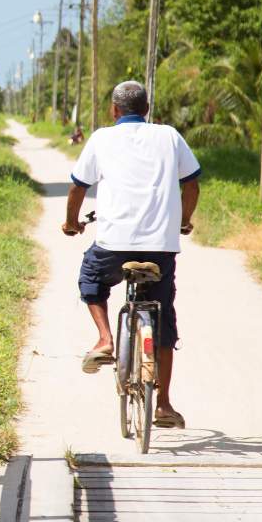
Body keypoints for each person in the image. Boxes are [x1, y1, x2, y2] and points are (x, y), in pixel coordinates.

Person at [61, 80, 200, 429]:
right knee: (163, 316)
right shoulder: (169, 135)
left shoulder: (101, 138)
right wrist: (183, 220)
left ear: (114, 110)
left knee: (91, 278)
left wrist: (71, 222)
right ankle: (164, 404)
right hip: (160, 248)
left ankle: (106, 339)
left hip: (113, 245)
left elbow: (78, 186)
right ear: (147, 110)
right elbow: (192, 182)